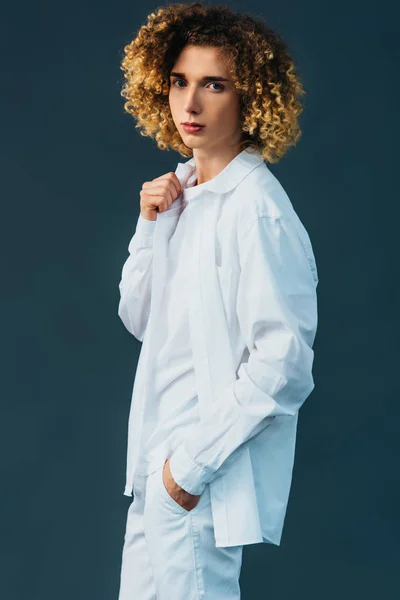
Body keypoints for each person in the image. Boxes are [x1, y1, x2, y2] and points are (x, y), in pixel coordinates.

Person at [117, 2, 319, 598]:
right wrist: (151, 228)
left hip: (197, 479)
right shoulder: (185, 196)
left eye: (214, 84)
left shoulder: (256, 209)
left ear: (250, 97)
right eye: (180, 81)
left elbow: (283, 365)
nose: (191, 103)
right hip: (155, 474)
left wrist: (191, 470)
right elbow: (139, 319)